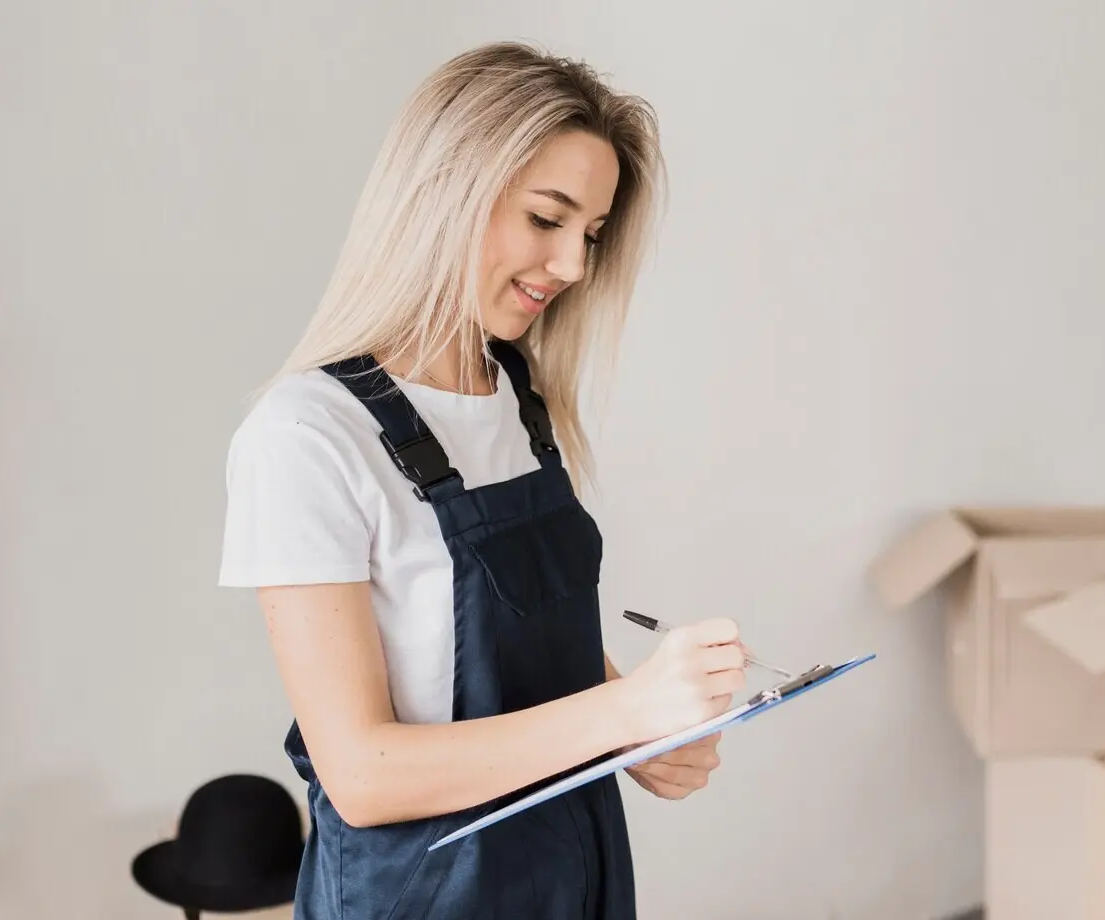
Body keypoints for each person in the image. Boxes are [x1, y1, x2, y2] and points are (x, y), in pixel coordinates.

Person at [217, 41, 749, 920]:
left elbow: (535, 657)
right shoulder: (305, 436)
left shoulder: (521, 400)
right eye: (548, 218)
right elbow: (362, 775)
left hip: (574, 879)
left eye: (591, 235)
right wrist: (621, 714)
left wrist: (646, 726)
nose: (575, 266)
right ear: (444, 193)